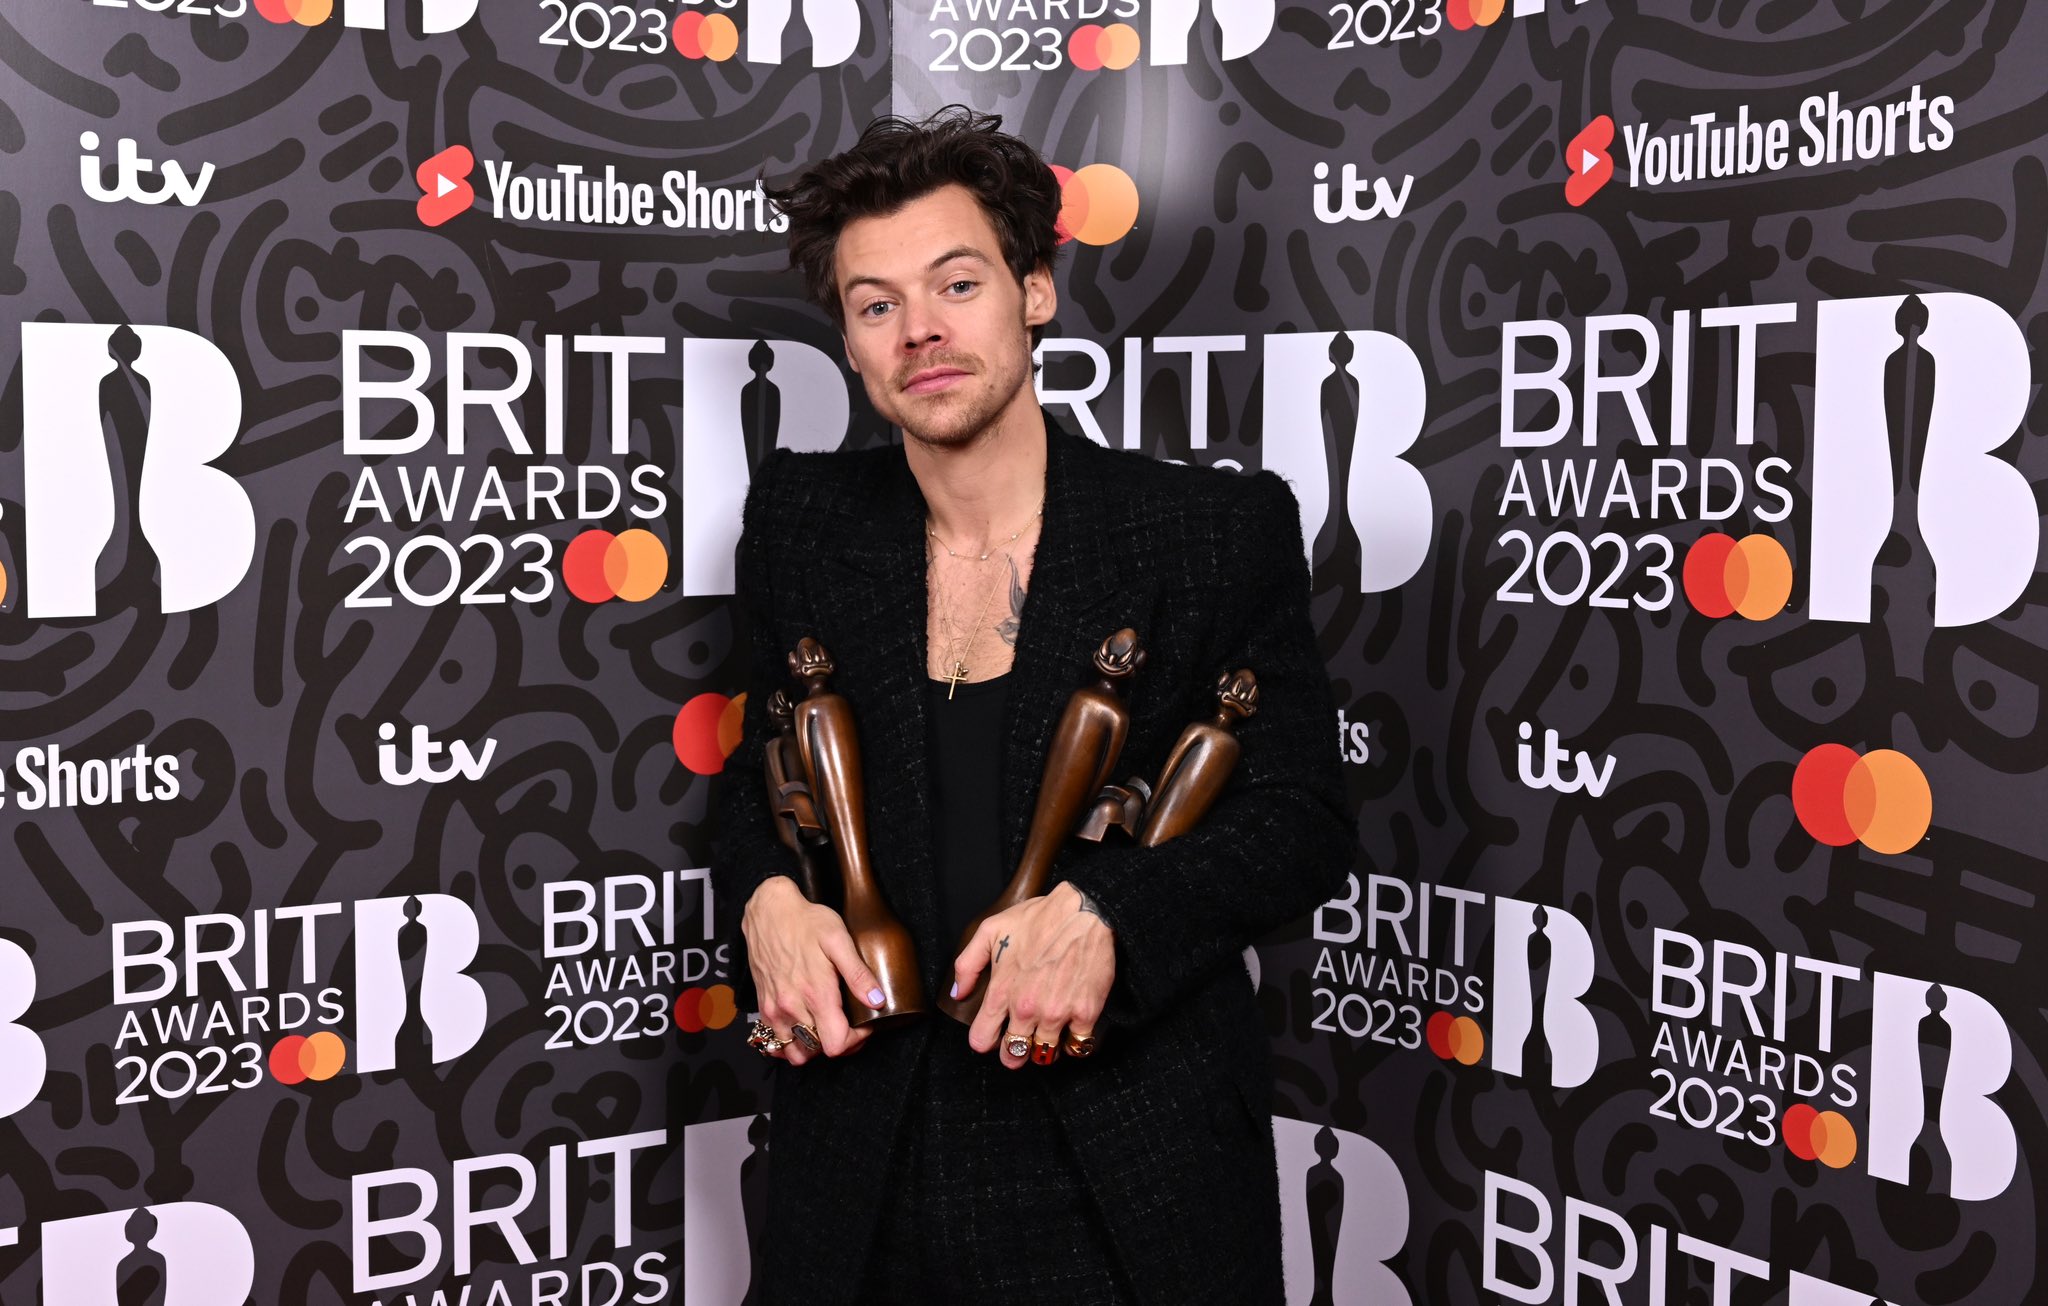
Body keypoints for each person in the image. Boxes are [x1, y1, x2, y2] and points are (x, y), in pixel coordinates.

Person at [708, 105, 1356, 1305]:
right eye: (875, 303)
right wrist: (763, 904)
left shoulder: (1208, 532)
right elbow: (759, 777)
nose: (921, 332)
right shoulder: (801, 521)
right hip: (855, 1168)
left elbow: (1302, 815)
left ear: (1034, 292)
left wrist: (1113, 911)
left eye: (955, 282)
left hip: (1126, 1169)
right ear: (849, 343)